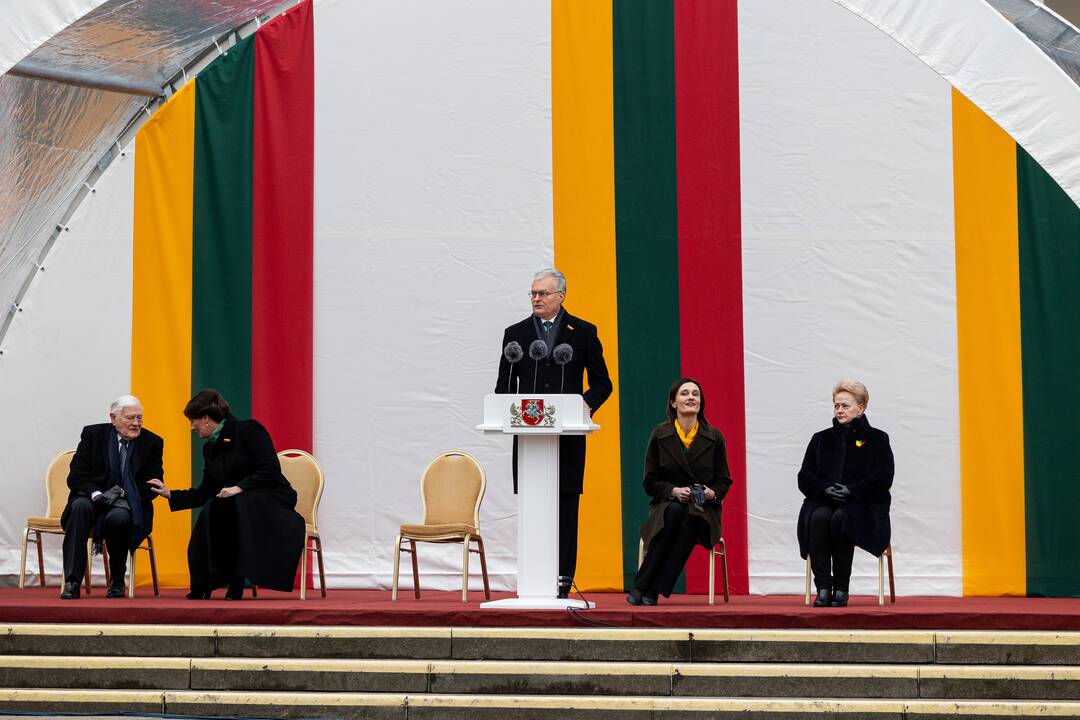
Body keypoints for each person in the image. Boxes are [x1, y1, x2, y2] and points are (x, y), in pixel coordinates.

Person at [495, 268, 612, 598]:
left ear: (561, 296)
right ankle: (532, 579)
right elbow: (504, 385)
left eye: (543, 293)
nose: (536, 299)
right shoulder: (515, 334)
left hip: (568, 438)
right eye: (533, 293)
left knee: (565, 506)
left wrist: (585, 405)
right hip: (531, 440)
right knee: (534, 507)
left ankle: (562, 580)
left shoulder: (584, 332)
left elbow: (603, 383)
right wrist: (506, 409)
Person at [148, 389, 304, 600]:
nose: (191, 427)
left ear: (205, 419)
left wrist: (239, 488)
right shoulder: (209, 449)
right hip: (237, 503)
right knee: (213, 507)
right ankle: (204, 583)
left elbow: (269, 469)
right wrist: (171, 494)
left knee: (233, 505)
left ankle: (236, 582)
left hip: (272, 497)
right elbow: (206, 491)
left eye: (192, 421)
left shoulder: (248, 430)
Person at [628, 378, 732, 606]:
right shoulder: (659, 435)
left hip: (704, 510)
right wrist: (673, 490)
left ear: (701, 402)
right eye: (684, 393)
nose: (691, 397)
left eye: (695, 394)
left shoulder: (714, 437)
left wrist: (710, 493)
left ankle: (646, 587)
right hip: (667, 505)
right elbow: (650, 482)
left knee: (691, 517)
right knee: (674, 513)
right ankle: (648, 588)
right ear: (674, 402)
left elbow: (724, 481)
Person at [797, 380, 894, 607]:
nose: (839, 410)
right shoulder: (820, 439)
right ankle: (822, 587)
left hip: (863, 503)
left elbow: (883, 478)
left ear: (860, 408)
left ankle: (841, 588)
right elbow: (804, 476)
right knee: (819, 518)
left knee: (842, 519)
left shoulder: (878, 439)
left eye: (845, 406)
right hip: (824, 500)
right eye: (836, 405)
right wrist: (824, 489)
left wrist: (852, 490)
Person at [59, 395, 164, 599]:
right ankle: (72, 581)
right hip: (92, 497)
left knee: (119, 518)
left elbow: (152, 485)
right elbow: (77, 476)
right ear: (113, 418)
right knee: (79, 507)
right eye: (130, 418)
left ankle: (117, 580)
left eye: (139, 418)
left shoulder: (152, 442)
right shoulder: (93, 435)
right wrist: (97, 494)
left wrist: (124, 494)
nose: (136, 423)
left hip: (127, 502)